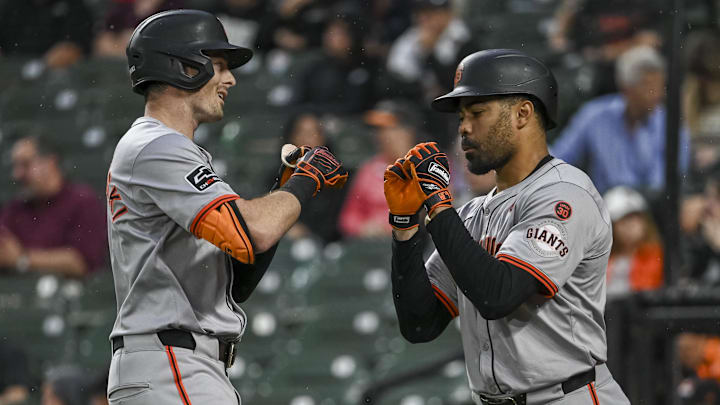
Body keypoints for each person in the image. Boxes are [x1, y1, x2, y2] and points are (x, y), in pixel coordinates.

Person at [106, 9, 347, 405]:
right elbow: (254, 230)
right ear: (183, 67)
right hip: (171, 363)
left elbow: (242, 265)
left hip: (179, 363)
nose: (229, 79)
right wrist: (306, 181)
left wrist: (285, 189)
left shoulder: (163, 149)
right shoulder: (157, 146)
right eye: (217, 65)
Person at [384, 49, 629, 404]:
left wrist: (438, 205)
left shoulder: (564, 194)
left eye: (478, 112)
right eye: (461, 117)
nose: (464, 127)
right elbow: (420, 324)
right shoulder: (473, 214)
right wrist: (406, 227)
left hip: (567, 396)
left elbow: (498, 295)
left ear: (523, 113)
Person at [551, 45, 690, 195]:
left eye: (660, 87)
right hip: (604, 206)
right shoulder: (595, 114)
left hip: (654, 207)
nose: (657, 95)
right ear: (626, 88)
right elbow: (560, 157)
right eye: (649, 87)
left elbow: (667, 181)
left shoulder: (669, 123)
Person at [0, 136, 107, 277]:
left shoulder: (83, 201)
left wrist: (22, 260)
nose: (17, 174)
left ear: (50, 163)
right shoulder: (15, 208)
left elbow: (81, 263)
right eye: (15, 166)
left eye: (25, 165)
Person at [339, 100, 419, 238]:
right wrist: (362, 227)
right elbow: (348, 217)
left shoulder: (427, 164)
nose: (381, 135)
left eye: (388, 129)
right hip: (373, 247)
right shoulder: (368, 169)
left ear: (407, 132)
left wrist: (388, 226)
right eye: (379, 130)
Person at [603, 186, 663, 299]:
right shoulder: (598, 259)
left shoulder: (657, 256)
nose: (631, 225)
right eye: (623, 220)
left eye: (636, 217)